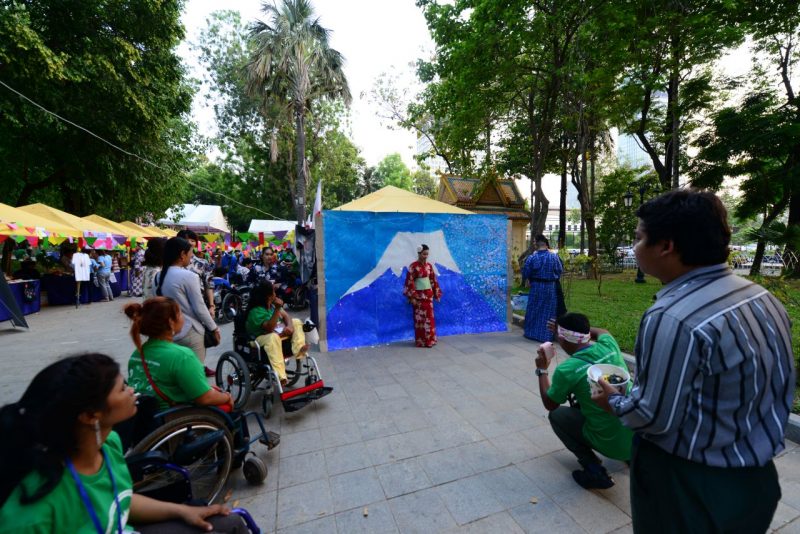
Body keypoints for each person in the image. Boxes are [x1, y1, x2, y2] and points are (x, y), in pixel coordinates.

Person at [591, 190, 796, 533]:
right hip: (755, 480)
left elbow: (653, 418)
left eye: (639, 238)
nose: (634, 247)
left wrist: (613, 401)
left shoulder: (673, 317)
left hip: (689, 486)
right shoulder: (761, 297)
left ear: (666, 246)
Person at [0, 353, 247, 533]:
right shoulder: (32, 513)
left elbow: (119, 500)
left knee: (232, 522)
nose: (131, 391)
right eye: (121, 389)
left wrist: (182, 510)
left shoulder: (109, 444)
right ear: (91, 415)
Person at [534, 313, 633, 490]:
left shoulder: (567, 369)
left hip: (611, 445)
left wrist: (542, 370)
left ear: (561, 339)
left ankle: (594, 469)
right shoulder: (609, 345)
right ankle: (631, 458)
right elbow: (602, 331)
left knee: (557, 415)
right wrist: (580, 331)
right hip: (638, 432)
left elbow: (550, 404)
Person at [125, 299, 234, 411]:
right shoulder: (182, 356)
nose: (183, 317)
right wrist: (227, 396)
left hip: (145, 414)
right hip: (173, 415)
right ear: (171, 322)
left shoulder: (137, 354)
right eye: (180, 313)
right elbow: (205, 398)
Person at [156, 237, 220, 374]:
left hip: (169, 332)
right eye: (191, 253)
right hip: (190, 332)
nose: (192, 256)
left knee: (176, 374)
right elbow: (199, 307)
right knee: (195, 375)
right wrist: (214, 328)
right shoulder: (189, 276)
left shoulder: (158, 276)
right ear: (182, 255)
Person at [245, 282, 309, 386]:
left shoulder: (271, 306)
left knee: (296, 322)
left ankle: (299, 349)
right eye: (273, 292)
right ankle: (281, 377)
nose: (275, 294)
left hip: (277, 334)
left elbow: (286, 316)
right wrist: (278, 308)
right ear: (268, 296)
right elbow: (269, 328)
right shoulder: (256, 312)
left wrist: (289, 326)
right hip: (259, 338)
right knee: (273, 337)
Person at [522, 235, 563, 341]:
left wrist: (530, 279)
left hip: (536, 286)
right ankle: (546, 335)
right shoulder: (554, 257)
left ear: (537, 243)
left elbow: (526, 272)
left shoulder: (532, 258)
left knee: (533, 309)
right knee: (548, 311)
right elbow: (559, 270)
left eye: (534, 241)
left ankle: (531, 333)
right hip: (550, 287)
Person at [403, 244, 442, 348]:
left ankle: (430, 340)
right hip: (418, 297)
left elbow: (433, 280)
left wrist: (436, 293)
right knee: (420, 320)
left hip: (428, 296)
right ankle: (421, 341)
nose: (426, 256)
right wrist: (412, 297)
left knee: (430, 319)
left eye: (427, 254)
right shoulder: (413, 266)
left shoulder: (429, 266)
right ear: (419, 253)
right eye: (424, 254)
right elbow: (409, 281)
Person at [176, 230, 215, 321]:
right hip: (177, 308)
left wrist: (211, 305)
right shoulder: (171, 263)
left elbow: (209, 285)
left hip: (198, 307)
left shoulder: (202, 263)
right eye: (185, 240)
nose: (189, 243)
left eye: (192, 240)